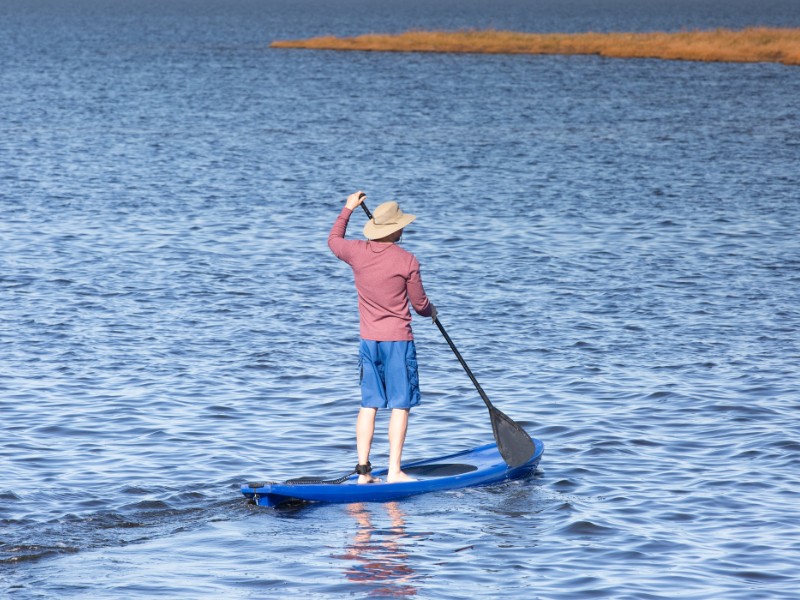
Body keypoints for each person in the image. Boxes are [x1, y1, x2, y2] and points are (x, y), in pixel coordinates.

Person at [328, 191, 437, 484]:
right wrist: (433, 311)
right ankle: (393, 471)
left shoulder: (355, 252)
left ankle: (363, 472)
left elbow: (333, 240)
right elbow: (420, 305)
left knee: (369, 404)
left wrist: (348, 208)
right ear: (394, 229)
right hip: (398, 342)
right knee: (400, 405)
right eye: (401, 225)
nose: (403, 229)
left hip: (368, 341)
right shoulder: (407, 261)